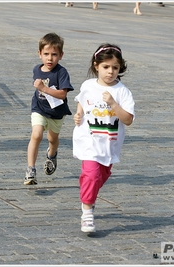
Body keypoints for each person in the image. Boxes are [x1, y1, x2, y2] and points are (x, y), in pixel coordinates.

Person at [73, 44, 135, 232]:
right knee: (91, 174)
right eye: (106, 67)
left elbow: (128, 119)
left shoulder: (122, 92)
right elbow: (82, 102)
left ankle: (88, 194)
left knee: (101, 175)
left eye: (115, 68)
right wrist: (78, 114)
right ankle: (87, 213)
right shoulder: (88, 85)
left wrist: (113, 104)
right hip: (89, 140)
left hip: (109, 144)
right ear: (96, 66)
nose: (110, 72)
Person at [24, 33, 74, 185]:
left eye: (54, 55)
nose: (49, 58)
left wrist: (44, 89)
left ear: (61, 55)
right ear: (39, 54)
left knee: (53, 139)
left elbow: (62, 94)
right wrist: (41, 90)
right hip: (39, 108)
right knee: (36, 135)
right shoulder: (36, 69)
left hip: (56, 113)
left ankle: (52, 154)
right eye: (46, 54)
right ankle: (30, 170)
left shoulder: (61, 72)